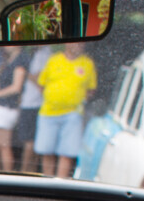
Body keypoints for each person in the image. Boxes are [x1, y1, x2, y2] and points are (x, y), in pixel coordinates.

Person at [34, 41, 97, 178]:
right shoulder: (53, 60)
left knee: (67, 152)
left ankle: (59, 184)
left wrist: (78, 100)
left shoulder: (87, 64)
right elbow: (41, 84)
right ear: (67, 44)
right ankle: (48, 182)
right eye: (76, 43)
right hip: (48, 112)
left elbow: (91, 90)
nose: (79, 46)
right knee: (46, 150)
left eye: (81, 44)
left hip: (73, 114)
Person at [17, 46, 54, 174]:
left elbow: (40, 81)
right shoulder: (35, 53)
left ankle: (24, 173)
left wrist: (24, 72)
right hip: (29, 102)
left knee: (30, 141)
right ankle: (29, 172)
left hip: (34, 104)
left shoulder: (45, 54)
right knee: (29, 141)